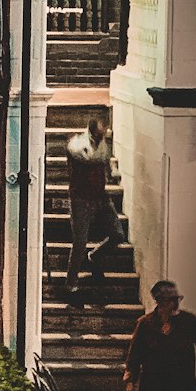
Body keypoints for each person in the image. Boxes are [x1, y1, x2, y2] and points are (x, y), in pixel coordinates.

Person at [65, 114, 123, 299]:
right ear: (92, 131)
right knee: (80, 242)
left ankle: (95, 256)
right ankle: (71, 284)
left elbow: (105, 162)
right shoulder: (77, 143)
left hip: (100, 196)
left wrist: (111, 169)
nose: (103, 135)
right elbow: (87, 158)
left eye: (104, 132)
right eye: (100, 133)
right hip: (80, 198)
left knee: (117, 235)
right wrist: (103, 157)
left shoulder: (103, 145)